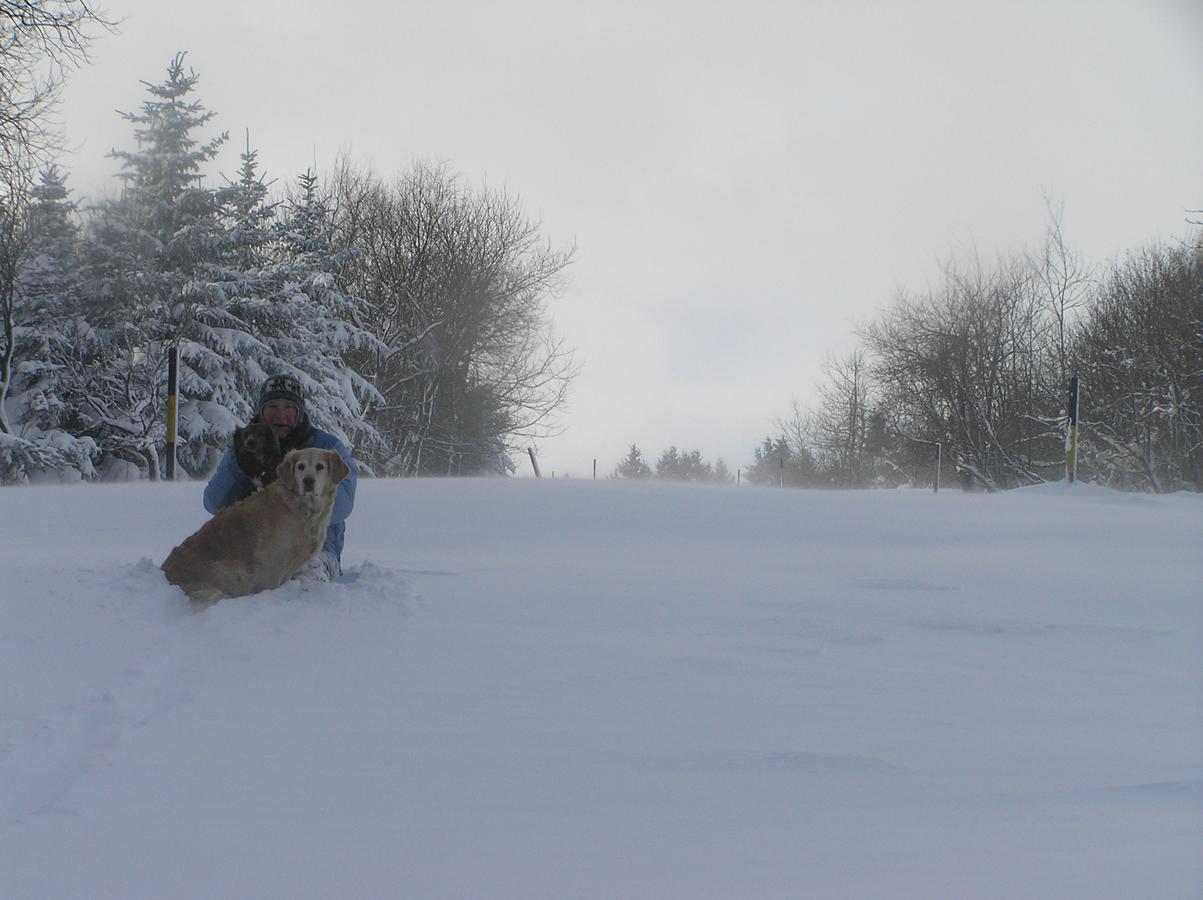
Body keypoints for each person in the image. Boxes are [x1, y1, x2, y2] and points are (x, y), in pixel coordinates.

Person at [203, 375, 357, 581]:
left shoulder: (327, 447)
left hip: (316, 546)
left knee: (307, 585)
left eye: (289, 407)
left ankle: (319, 568)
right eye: (272, 406)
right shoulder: (246, 445)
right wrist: (240, 466)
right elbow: (214, 503)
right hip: (256, 545)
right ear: (261, 411)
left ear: (299, 411)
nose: (280, 415)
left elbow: (343, 502)